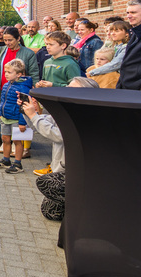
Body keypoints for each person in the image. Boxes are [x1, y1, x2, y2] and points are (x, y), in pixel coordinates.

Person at [23, 77, 99, 214]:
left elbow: (58, 135)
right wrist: (30, 113)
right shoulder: (69, 109)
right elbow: (44, 124)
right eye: (68, 88)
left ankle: (81, 208)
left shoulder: (85, 114)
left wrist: (34, 115)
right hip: (60, 168)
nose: (67, 91)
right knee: (48, 211)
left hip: (74, 173)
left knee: (45, 183)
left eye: (72, 89)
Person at [0, 27, 40, 127]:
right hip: (2, 90)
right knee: (2, 116)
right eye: (5, 40)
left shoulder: (28, 53)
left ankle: (18, 141)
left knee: (19, 117)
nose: (7, 43)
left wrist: (35, 89)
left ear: (18, 39)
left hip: (19, 91)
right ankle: (5, 140)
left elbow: (33, 72)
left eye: (10, 40)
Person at [0, 59, 34, 174]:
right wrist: (0, 113)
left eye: (9, 72)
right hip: (5, 117)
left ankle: (18, 163)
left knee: (17, 141)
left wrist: (22, 122)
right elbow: (2, 100)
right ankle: (6, 160)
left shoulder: (23, 88)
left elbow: (24, 106)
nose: (6, 74)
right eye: (5, 72)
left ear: (18, 74)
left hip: (16, 119)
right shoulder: (6, 85)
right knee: (5, 139)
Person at [115, 0, 141, 90]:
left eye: (133, 12)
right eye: (127, 13)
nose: (129, 16)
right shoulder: (135, 34)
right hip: (127, 88)